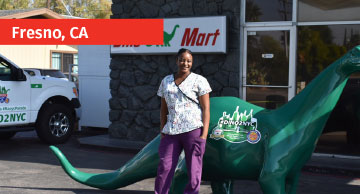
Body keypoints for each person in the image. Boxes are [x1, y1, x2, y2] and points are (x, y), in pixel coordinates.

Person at [154, 48, 212, 194]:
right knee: (164, 167)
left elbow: (206, 109)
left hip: (193, 131)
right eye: (182, 60)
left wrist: (203, 136)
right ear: (177, 61)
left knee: (194, 171)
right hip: (171, 131)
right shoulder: (166, 81)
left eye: (188, 61)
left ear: (192, 63)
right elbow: (163, 109)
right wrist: (162, 130)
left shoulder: (200, 81)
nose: (185, 63)